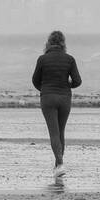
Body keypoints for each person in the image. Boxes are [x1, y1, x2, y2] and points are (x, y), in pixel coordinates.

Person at [32, 30, 81, 176]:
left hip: (48, 98)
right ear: (63, 43)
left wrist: (45, 89)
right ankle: (57, 167)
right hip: (65, 98)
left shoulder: (42, 59)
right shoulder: (69, 59)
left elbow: (35, 80)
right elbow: (78, 81)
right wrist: (66, 86)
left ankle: (59, 164)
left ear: (48, 42)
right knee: (61, 133)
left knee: (53, 133)